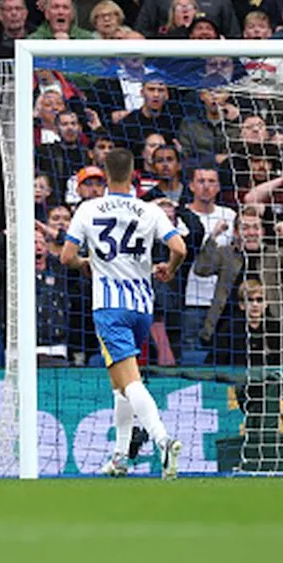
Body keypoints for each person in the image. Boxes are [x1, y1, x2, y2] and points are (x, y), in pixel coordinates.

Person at [60, 147, 188, 480]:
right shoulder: (150, 210)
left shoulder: (88, 209)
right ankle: (120, 457)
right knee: (119, 385)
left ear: (105, 173)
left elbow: (66, 256)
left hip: (109, 307)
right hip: (142, 308)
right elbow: (179, 248)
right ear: (133, 174)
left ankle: (163, 440)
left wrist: (85, 263)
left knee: (130, 382)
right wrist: (170, 270)